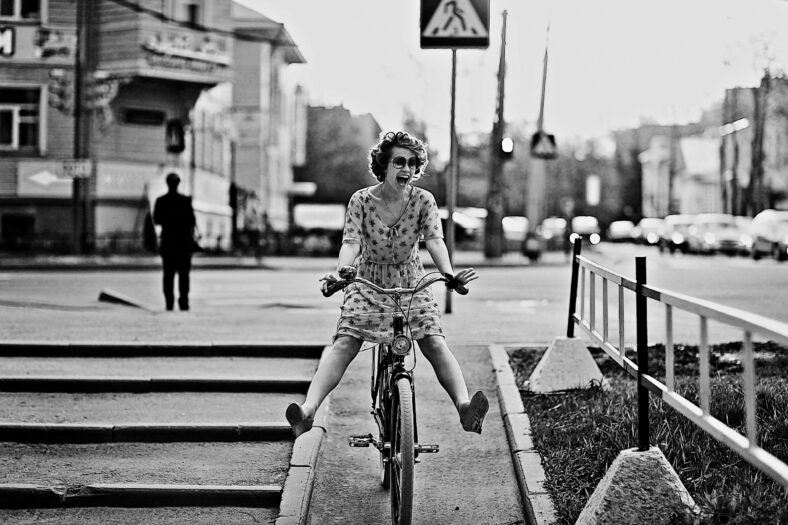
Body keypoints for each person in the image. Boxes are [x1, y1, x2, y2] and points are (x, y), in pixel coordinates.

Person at [285, 131, 489, 438]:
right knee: (345, 343)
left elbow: (435, 241)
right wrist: (343, 270)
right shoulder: (361, 200)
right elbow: (351, 243)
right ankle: (308, 411)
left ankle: (464, 407)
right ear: (384, 165)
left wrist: (448, 275)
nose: (406, 169)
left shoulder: (424, 201)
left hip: (411, 282)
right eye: (399, 162)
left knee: (434, 341)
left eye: (412, 163)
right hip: (368, 281)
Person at [153, 172, 196, 311]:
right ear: (178, 183)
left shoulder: (161, 201)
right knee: (184, 275)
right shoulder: (185, 201)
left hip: (168, 242)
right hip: (183, 243)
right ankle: (183, 302)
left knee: (168, 274)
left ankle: (169, 303)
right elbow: (192, 221)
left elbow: (156, 220)